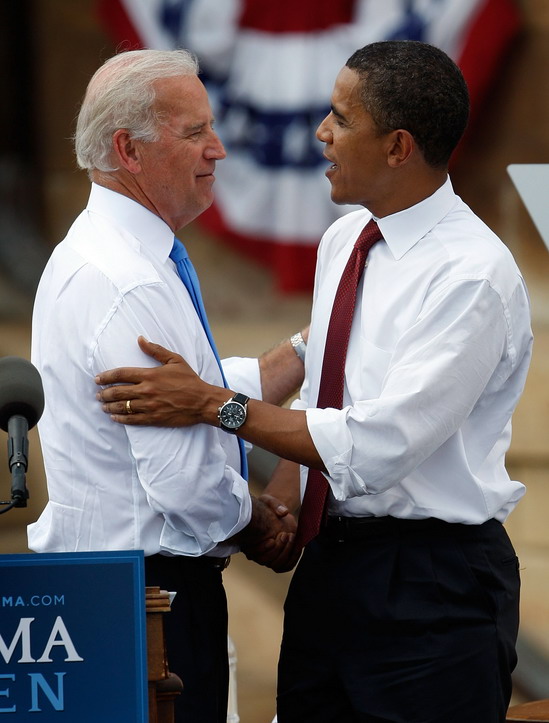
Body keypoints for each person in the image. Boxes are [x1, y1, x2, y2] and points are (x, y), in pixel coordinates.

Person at [96, 41, 533, 722]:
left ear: (397, 147)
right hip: (332, 570)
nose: (319, 133)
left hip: (431, 584)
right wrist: (282, 501)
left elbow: (379, 443)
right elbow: (331, 389)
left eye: (339, 118)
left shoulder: (471, 276)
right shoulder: (346, 240)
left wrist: (215, 405)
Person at [28, 48, 303, 723]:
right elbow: (179, 482)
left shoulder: (113, 254)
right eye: (194, 133)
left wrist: (310, 348)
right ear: (128, 149)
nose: (218, 149)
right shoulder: (127, 280)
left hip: (128, 595)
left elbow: (197, 387)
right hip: (149, 603)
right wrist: (258, 521)